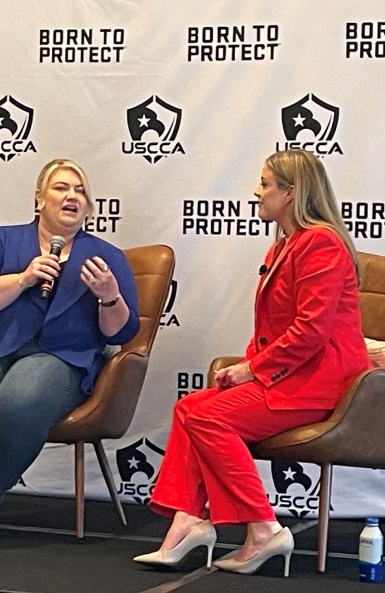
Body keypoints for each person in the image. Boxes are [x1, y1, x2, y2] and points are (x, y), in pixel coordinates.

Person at [134, 150, 370, 577]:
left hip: (321, 382)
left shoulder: (322, 244)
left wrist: (252, 369)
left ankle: (263, 528)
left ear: (291, 193)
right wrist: (246, 367)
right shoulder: (285, 244)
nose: (257, 192)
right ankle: (188, 519)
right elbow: (274, 329)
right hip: (291, 376)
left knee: (209, 419)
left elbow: (311, 331)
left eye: (265, 184)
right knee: (190, 408)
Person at [0, 158, 140, 543]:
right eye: (61, 188)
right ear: (39, 198)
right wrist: (22, 279)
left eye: (80, 190)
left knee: (19, 399)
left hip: (63, 357)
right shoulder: (1, 239)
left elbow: (125, 331)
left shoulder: (106, 256)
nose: (72, 196)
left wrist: (109, 298)